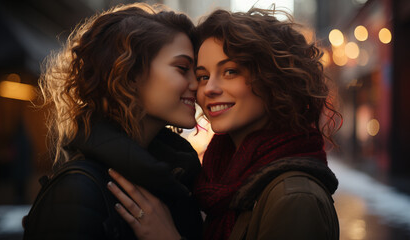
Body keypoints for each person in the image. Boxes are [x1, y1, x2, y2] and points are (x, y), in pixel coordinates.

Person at [107, 7, 342, 240]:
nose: (209, 88)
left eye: (230, 71)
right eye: (203, 76)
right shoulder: (223, 181)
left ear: (273, 79)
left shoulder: (294, 197)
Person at [22, 3, 203, 240]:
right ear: (128, 74)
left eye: (197, 72)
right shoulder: (77, 190)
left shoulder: (179, 180)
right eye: (182, 68)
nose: (197, 84)